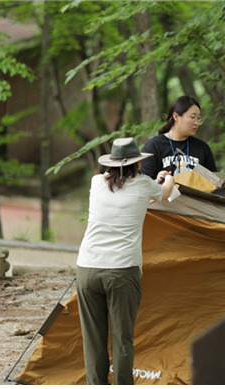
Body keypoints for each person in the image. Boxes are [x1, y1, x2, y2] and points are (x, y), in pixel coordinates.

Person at [76, 137, 174, 385]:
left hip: (88, 268)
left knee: (93, 338)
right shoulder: (144, 185)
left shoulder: (96, 182)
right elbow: (164, 193)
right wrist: (168, 177)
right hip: (122, 271)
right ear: (137, 164)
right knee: (121, 338)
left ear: (111, 164)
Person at [141, 96, 217, 179]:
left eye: (198, 118)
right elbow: (145, 187)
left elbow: (214, 184)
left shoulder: (202, 148)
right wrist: (158, 181)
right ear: (176, 116)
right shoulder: (153, 146)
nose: (197, 123)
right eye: (192, 117)